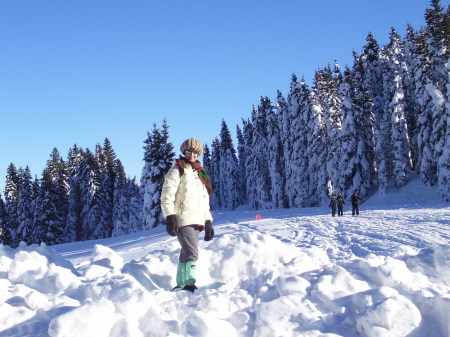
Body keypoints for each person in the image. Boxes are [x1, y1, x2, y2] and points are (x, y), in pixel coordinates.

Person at [160, 138, 214, 292]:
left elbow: (204, 201)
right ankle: (189, 283)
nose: (192, 155)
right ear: (184, 152)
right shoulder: (177, 170)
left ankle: (181, 284)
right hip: (182, 219)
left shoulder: (199, 174)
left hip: (197, 220)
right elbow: (167, 195)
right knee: (192, 252)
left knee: (186, 253)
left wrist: (208, 221)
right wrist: (170, 216)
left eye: (195, 152)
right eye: (189, 151)